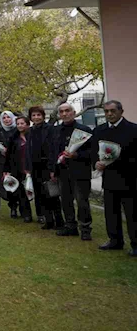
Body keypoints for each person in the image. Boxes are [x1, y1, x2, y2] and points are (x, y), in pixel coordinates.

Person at [93, 100, 137, 256]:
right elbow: (93, 152)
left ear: (121, 111)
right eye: (106, 111)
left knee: (132, 214)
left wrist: (116, 160)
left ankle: (135, 244)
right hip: (109, 180)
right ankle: (115, 240)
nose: (109, 114)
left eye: (112, 111)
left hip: (129, 179)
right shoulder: (99, 130)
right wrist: (96, 163)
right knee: (111, 212)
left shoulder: (133, 129)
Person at [49, 103, 94, 240]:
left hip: (80, 172)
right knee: (66, 201)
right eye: (61, 111)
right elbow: (53, 151)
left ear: (74, 113)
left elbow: (93, 152)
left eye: (67, 111)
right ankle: (70, 226)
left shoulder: (84, 129)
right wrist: (52, 170)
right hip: (62, 171)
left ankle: (85, 228)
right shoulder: (56, 130)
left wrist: (77, 156)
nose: (64, 114)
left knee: (82, 201)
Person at [28, 105, 64, 230]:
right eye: (33, 115)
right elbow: (29, 150)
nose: (36, 117)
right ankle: (49, 220)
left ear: (43, 116)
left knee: (52, 194)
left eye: (38, 115)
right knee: (41, 195)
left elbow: (54, 150)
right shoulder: (30, 131)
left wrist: (52, 168)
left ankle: (59, 221)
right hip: (35, 166)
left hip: (47, 166)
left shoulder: (50, 129)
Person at [3, 116, 33, 223]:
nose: (20, 126)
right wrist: (6, 169)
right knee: (20, 192)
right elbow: (8, 155)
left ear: (27, 124)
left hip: (31, 168)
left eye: (22, 123)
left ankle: (42, 214)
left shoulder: (32, 137)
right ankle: (26, 214)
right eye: (18, 124)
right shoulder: (13, 138)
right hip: (18, 169)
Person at [0, 111, 19, 217]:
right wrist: (1, 149)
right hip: (4, 162)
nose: (6, 120)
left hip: (17, 161)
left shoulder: (17, 129)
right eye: (4, 118)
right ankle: (13, 207)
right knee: (8, 184)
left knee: (19, 185)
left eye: (8, 117)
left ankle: (23, 208)